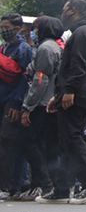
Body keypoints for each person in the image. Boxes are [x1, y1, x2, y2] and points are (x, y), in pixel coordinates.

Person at [37, 0, 86, 204]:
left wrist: (68, 91)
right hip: (73, 94)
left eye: (64, 9)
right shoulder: (82, 32)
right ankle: (61, 189)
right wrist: (58, 96)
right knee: (65, 141)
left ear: (74, 10)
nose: (62, 13)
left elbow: (78, 65)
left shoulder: (83, 32)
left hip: (77, 95)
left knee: (72, 138)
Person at [15, 16, 64, 201]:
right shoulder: (54, 47)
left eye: (35, 29)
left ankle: (46, 184)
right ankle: (51, 184)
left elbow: (40, 80)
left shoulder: (45, 48)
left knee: (29, 142)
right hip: (49, 103)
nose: (33, 32)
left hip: (42, 104)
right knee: (49, 146)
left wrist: (27, 106)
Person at [0, 13, 35, 198]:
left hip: (12, 102)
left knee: (9, 143)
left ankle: (11, 186)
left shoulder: (24, 50)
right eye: (2, 26)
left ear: (17, 27)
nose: (4, 30)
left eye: (7, 26)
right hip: (2, 99)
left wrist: (16, 103)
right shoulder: (4, 48)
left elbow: (25, 78)